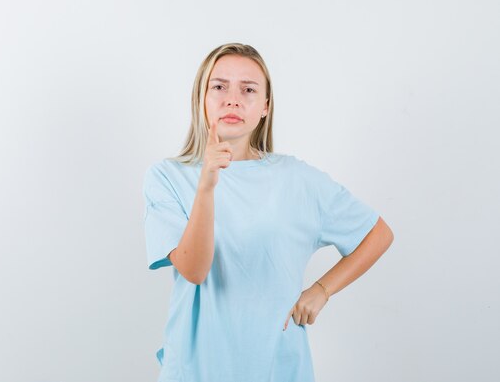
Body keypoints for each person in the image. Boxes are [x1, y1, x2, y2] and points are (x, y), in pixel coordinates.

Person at [142, 42, 394, 382]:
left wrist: (322, 290)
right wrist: (206, 186)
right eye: (219, 87)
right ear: (201, 98)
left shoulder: (297, 179)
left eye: (248, 89)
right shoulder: (168, 177)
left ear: (265, 106)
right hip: (196, 369)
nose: (232, 99)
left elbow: (378, 234)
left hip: (278, 368)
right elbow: (194, 270)